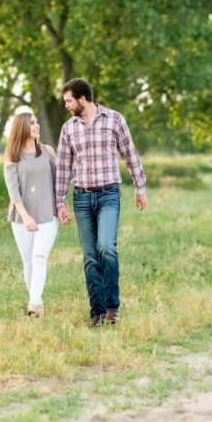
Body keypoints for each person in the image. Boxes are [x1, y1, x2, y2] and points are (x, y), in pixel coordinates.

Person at [55, 78, 146, 327]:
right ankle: (96, 312)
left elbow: (130, 153)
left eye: (69, 101)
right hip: (82, 197)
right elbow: (63, 167)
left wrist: (140, 187)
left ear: (82, 98)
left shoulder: (114, 119)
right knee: (90, 256)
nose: (66, 105)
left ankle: (112, 307)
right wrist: (60, 202)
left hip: (109, 194)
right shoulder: (68, 128)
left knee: (106, 247)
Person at [3, 111, 60, 318]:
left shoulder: (47, 151)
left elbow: (59, 182)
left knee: (39, 256)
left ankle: (32, 303)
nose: (37, 126)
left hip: (47, 213)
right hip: (21, 216)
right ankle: (38, 305)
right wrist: (26, 216)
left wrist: (63, 206)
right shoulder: (12, 156)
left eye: (37, 122)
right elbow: (13, 190)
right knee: (28, 262)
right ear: (22, 128)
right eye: (32, 123)